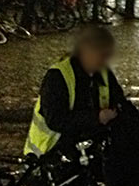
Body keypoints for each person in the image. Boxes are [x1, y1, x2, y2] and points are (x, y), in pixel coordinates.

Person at [25, 26, 126, 158]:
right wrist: (97, 118)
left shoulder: (103, 73)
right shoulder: (58, 76)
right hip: (51, 153)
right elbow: (56, 119)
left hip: (90, 151)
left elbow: (119, 102)